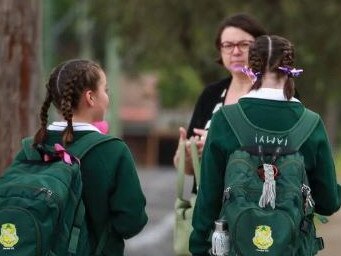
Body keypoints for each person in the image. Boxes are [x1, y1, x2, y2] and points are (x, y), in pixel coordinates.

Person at [189, 35, 341, 255]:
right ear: (291, 68)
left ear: (251, 67)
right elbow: (328, 202)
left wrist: (199, 247)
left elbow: (208, 199)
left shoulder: (225, 119)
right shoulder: (311, 123)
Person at [13, 59, 148, 255]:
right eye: (106, 90)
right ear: (91, 97)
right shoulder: (113, 151)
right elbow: (132, 222)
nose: (108, 97)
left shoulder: (30, 147)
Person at [173, 13, 267, 185]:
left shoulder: (276, 93)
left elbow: (283, 153)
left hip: (255, 203)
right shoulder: (210, 95)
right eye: (228, 45)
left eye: (244, 45)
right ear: (220, 50)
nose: (236, 51)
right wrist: (186, 156)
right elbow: (187, 169)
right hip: (208, 206)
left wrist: (219, 144)